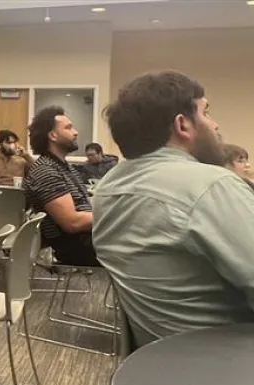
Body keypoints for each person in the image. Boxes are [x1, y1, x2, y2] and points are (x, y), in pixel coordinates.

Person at [92, 70, 254, 348]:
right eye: (206, 113)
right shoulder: (210, 186)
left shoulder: (107, 187)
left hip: (160, 355)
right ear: (183, 125)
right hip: (228, 358)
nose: (215, 125)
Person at [23, 106, 98, 266]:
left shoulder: (64, 167)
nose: (76, 132)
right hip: (75, 245)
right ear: (53, 135)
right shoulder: (46, 170)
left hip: (88, 237)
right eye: (68, 128)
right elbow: (72, 223)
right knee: (145, 247)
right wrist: (116, 217)